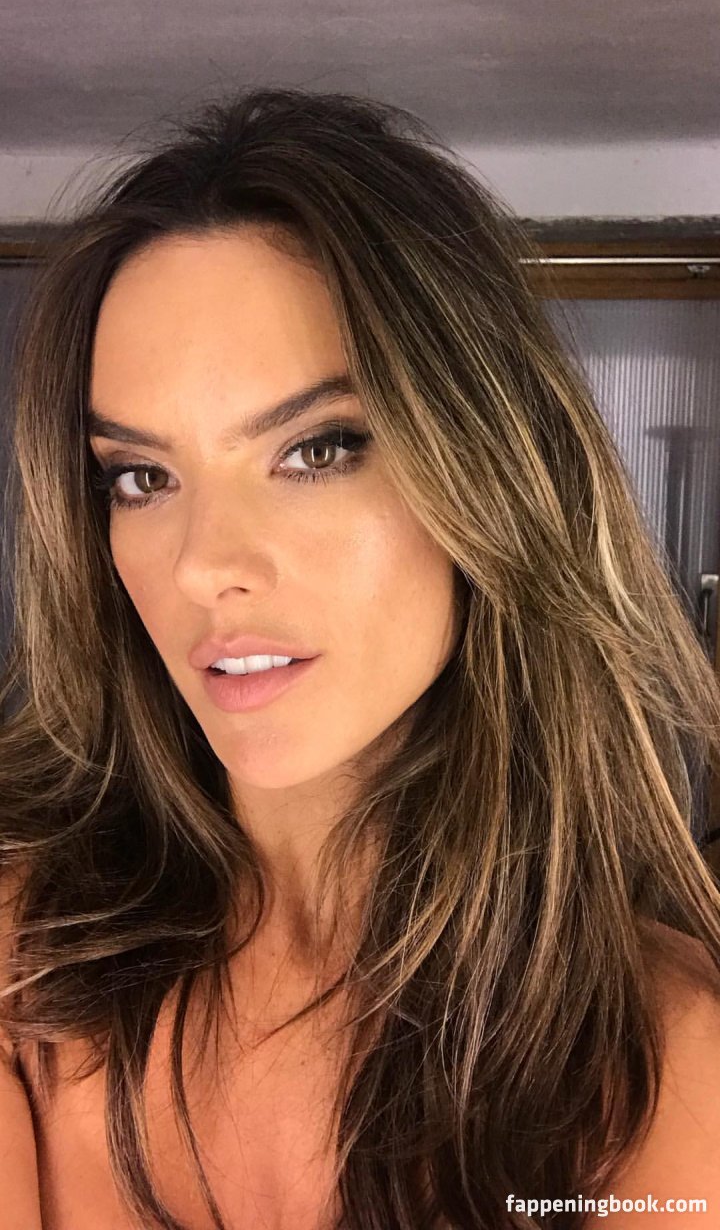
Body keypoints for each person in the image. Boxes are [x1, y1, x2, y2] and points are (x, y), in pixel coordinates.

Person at [0, 87, 719, 1230]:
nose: (204, 564)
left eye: (319, 448)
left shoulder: (660, 1056)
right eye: (141, 476)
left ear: (489, 471)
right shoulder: (27, 963)